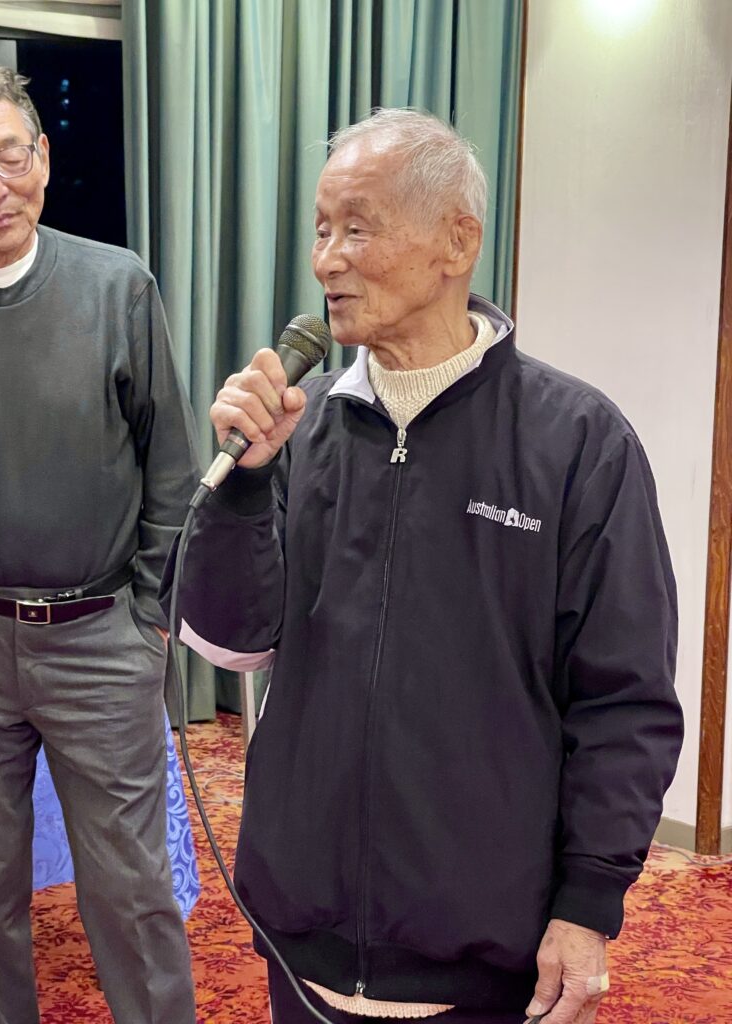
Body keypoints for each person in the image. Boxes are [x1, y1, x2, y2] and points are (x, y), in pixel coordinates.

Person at [168, 109, 683, 1024]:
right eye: (321, 229)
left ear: (458, 241)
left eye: (357, 228)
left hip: (482, 954)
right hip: (302, 941)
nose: (327, 260)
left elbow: (625, 701)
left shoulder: (577, 442)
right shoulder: (303, 428)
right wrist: (244, 488)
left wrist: (588, 903)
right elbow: (231, 641)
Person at [0, 58, 198, 1024]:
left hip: (101, 637)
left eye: (7, 156)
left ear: (44, 159)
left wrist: (149, 623)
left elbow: (174, 472)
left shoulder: (116, 287)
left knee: (131, 895)